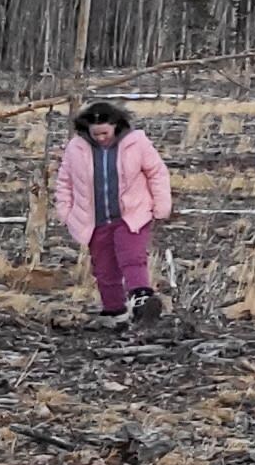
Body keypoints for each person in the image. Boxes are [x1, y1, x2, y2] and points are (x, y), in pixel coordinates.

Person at [58, 99, 175, 323]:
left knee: (132, 256)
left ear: (115, 125)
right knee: (103, 266)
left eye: (105, 133)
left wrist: (162, 206)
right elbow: (65, 181)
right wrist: (65, 212)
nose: (101, 138)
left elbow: (157, 173)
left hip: (132, 214)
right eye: (96, 134)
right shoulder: (76, 148)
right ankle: (114, 310)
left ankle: (142, 299)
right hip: (94, 219)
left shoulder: (136, 143)